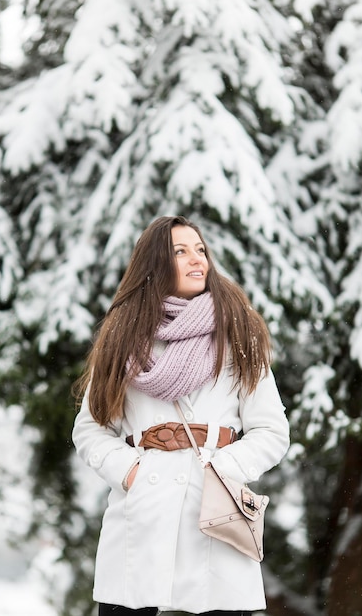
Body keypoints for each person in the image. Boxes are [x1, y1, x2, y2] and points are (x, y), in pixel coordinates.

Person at [72, 215, 290, 616]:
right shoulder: (122, 340)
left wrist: (222, 469)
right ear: (155, 264)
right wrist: (129, 472)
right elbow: (90, 428)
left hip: (214, 510)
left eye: (201, 249)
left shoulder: (238, 333)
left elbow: (272, 430)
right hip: (141, 513)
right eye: (180, 251)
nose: (197, 259)